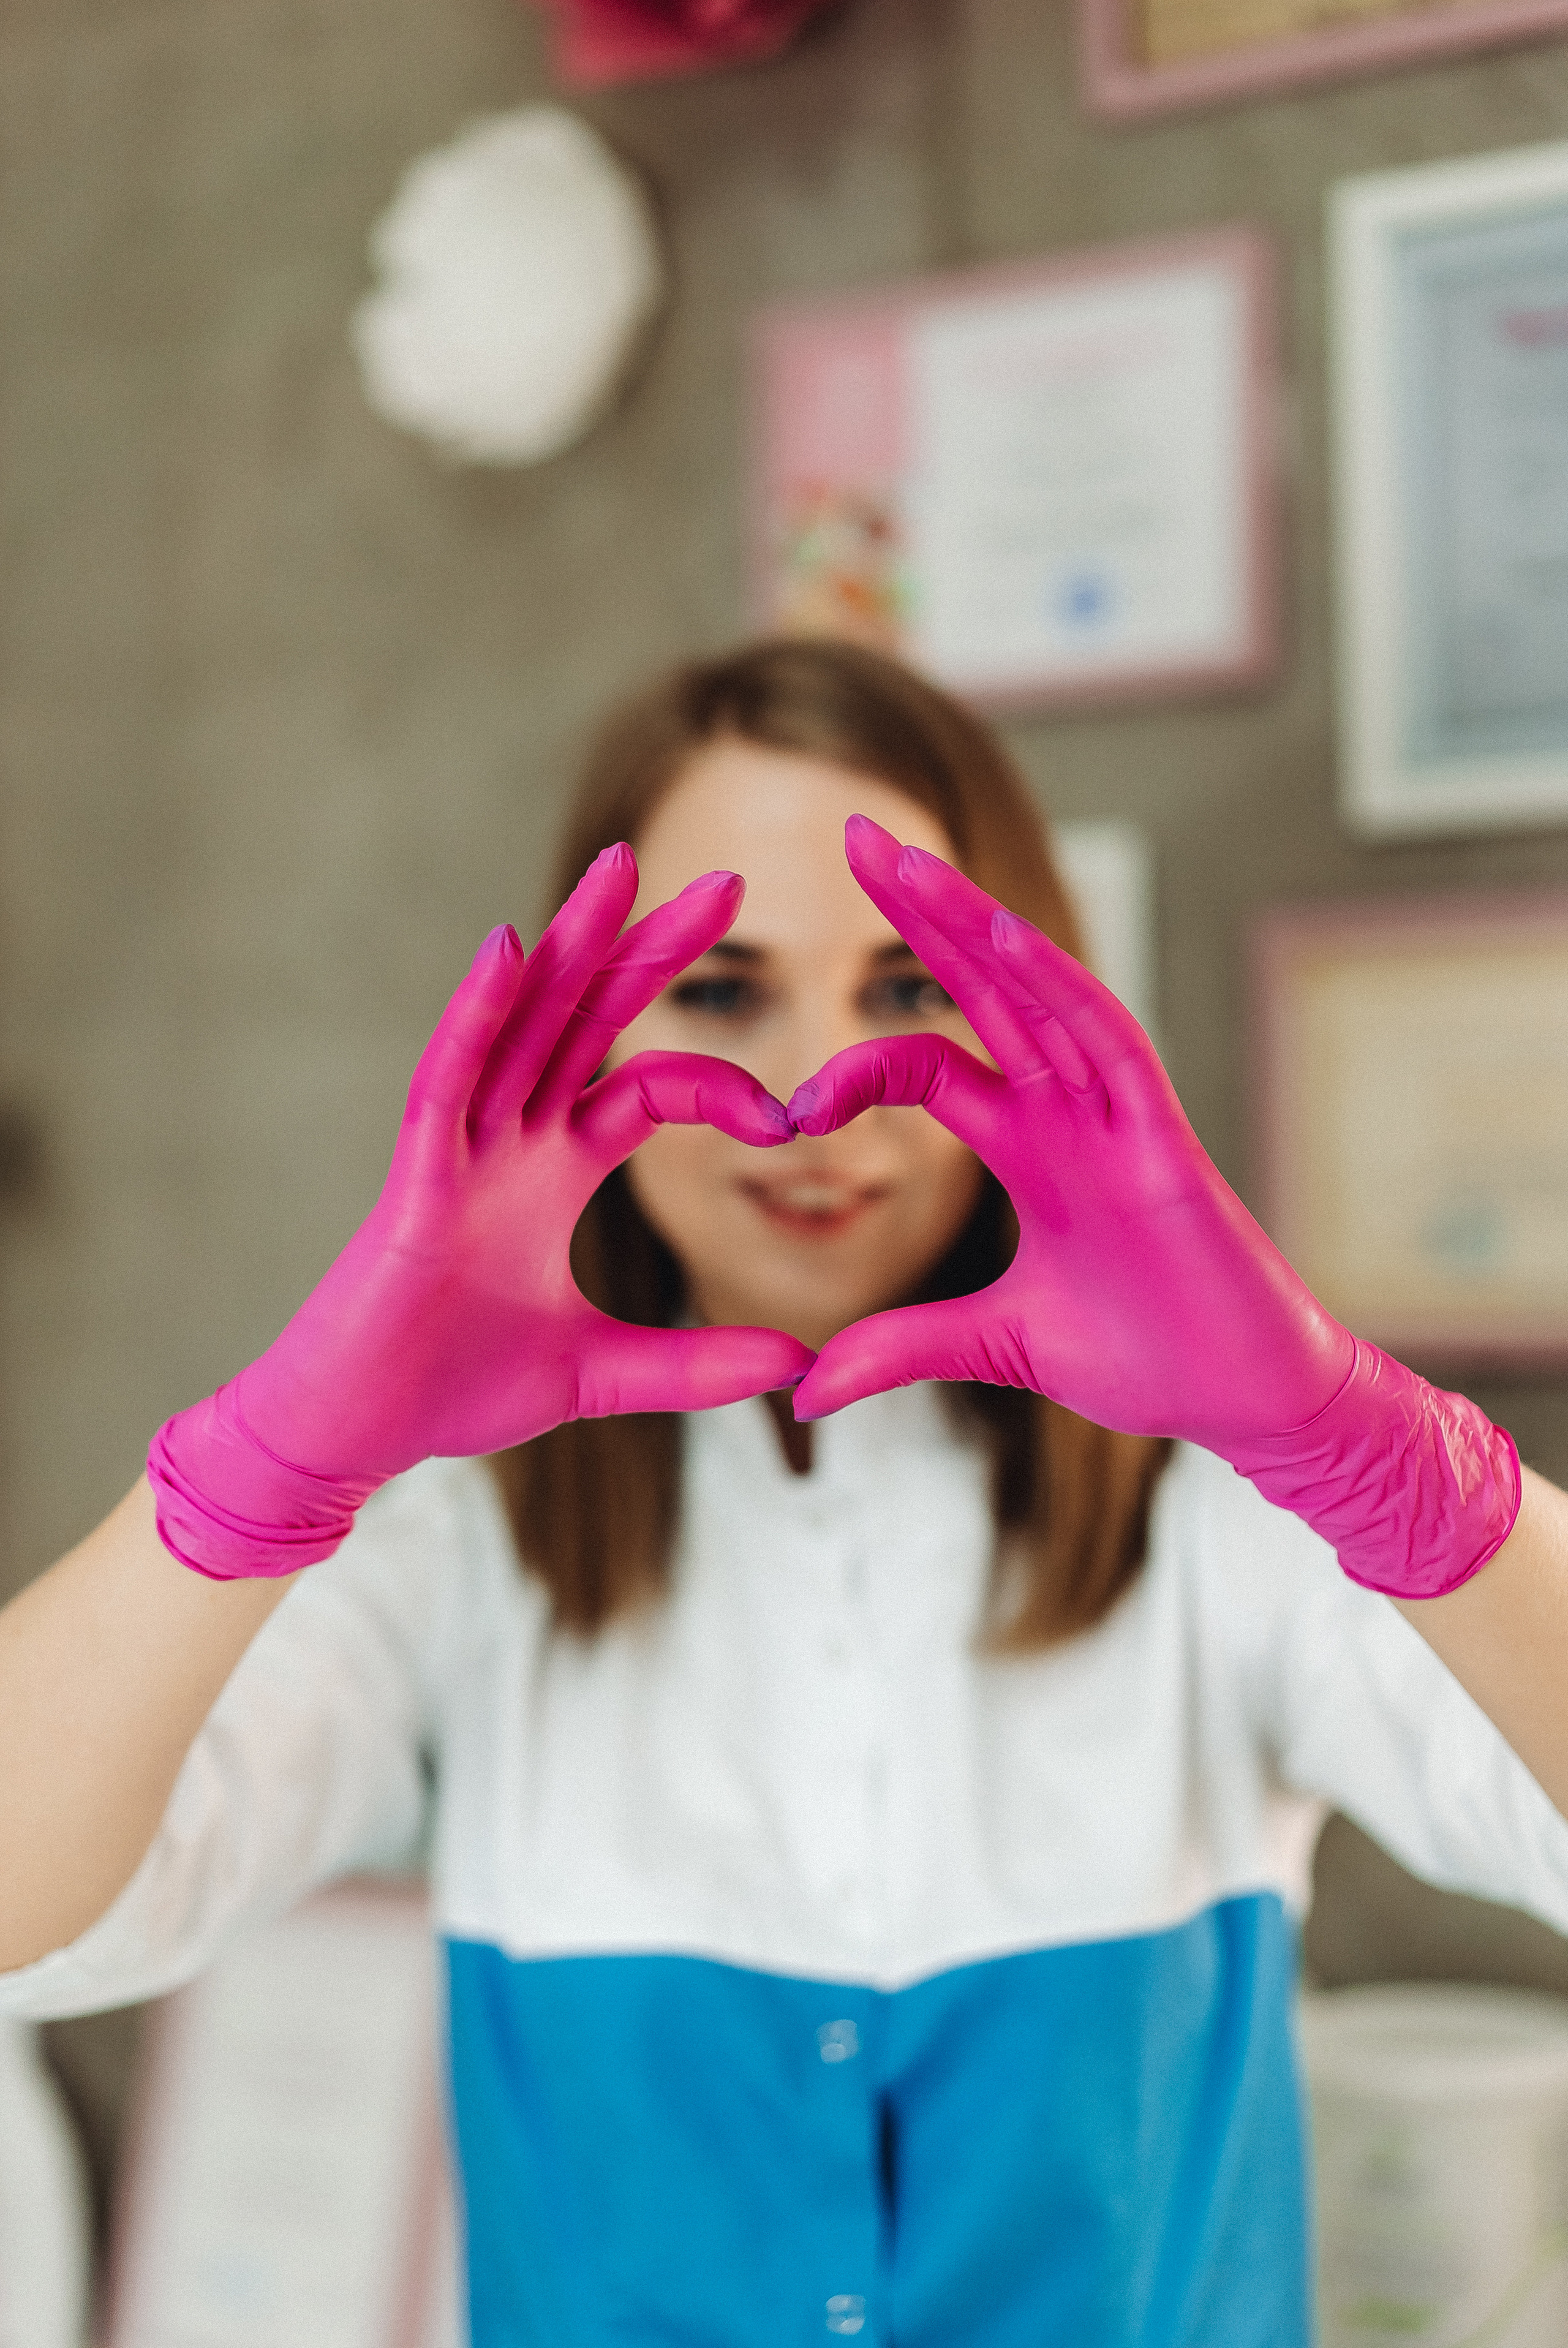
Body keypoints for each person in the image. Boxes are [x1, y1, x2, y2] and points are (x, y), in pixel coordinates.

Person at [2, 638, 1567, 2347]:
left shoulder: (1220, 1528)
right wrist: (256, 1475)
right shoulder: (465, 1550)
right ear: (583, 1038)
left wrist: (1387, 1461)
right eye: (726, 990)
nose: (817, 1095)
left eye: (907, 988)